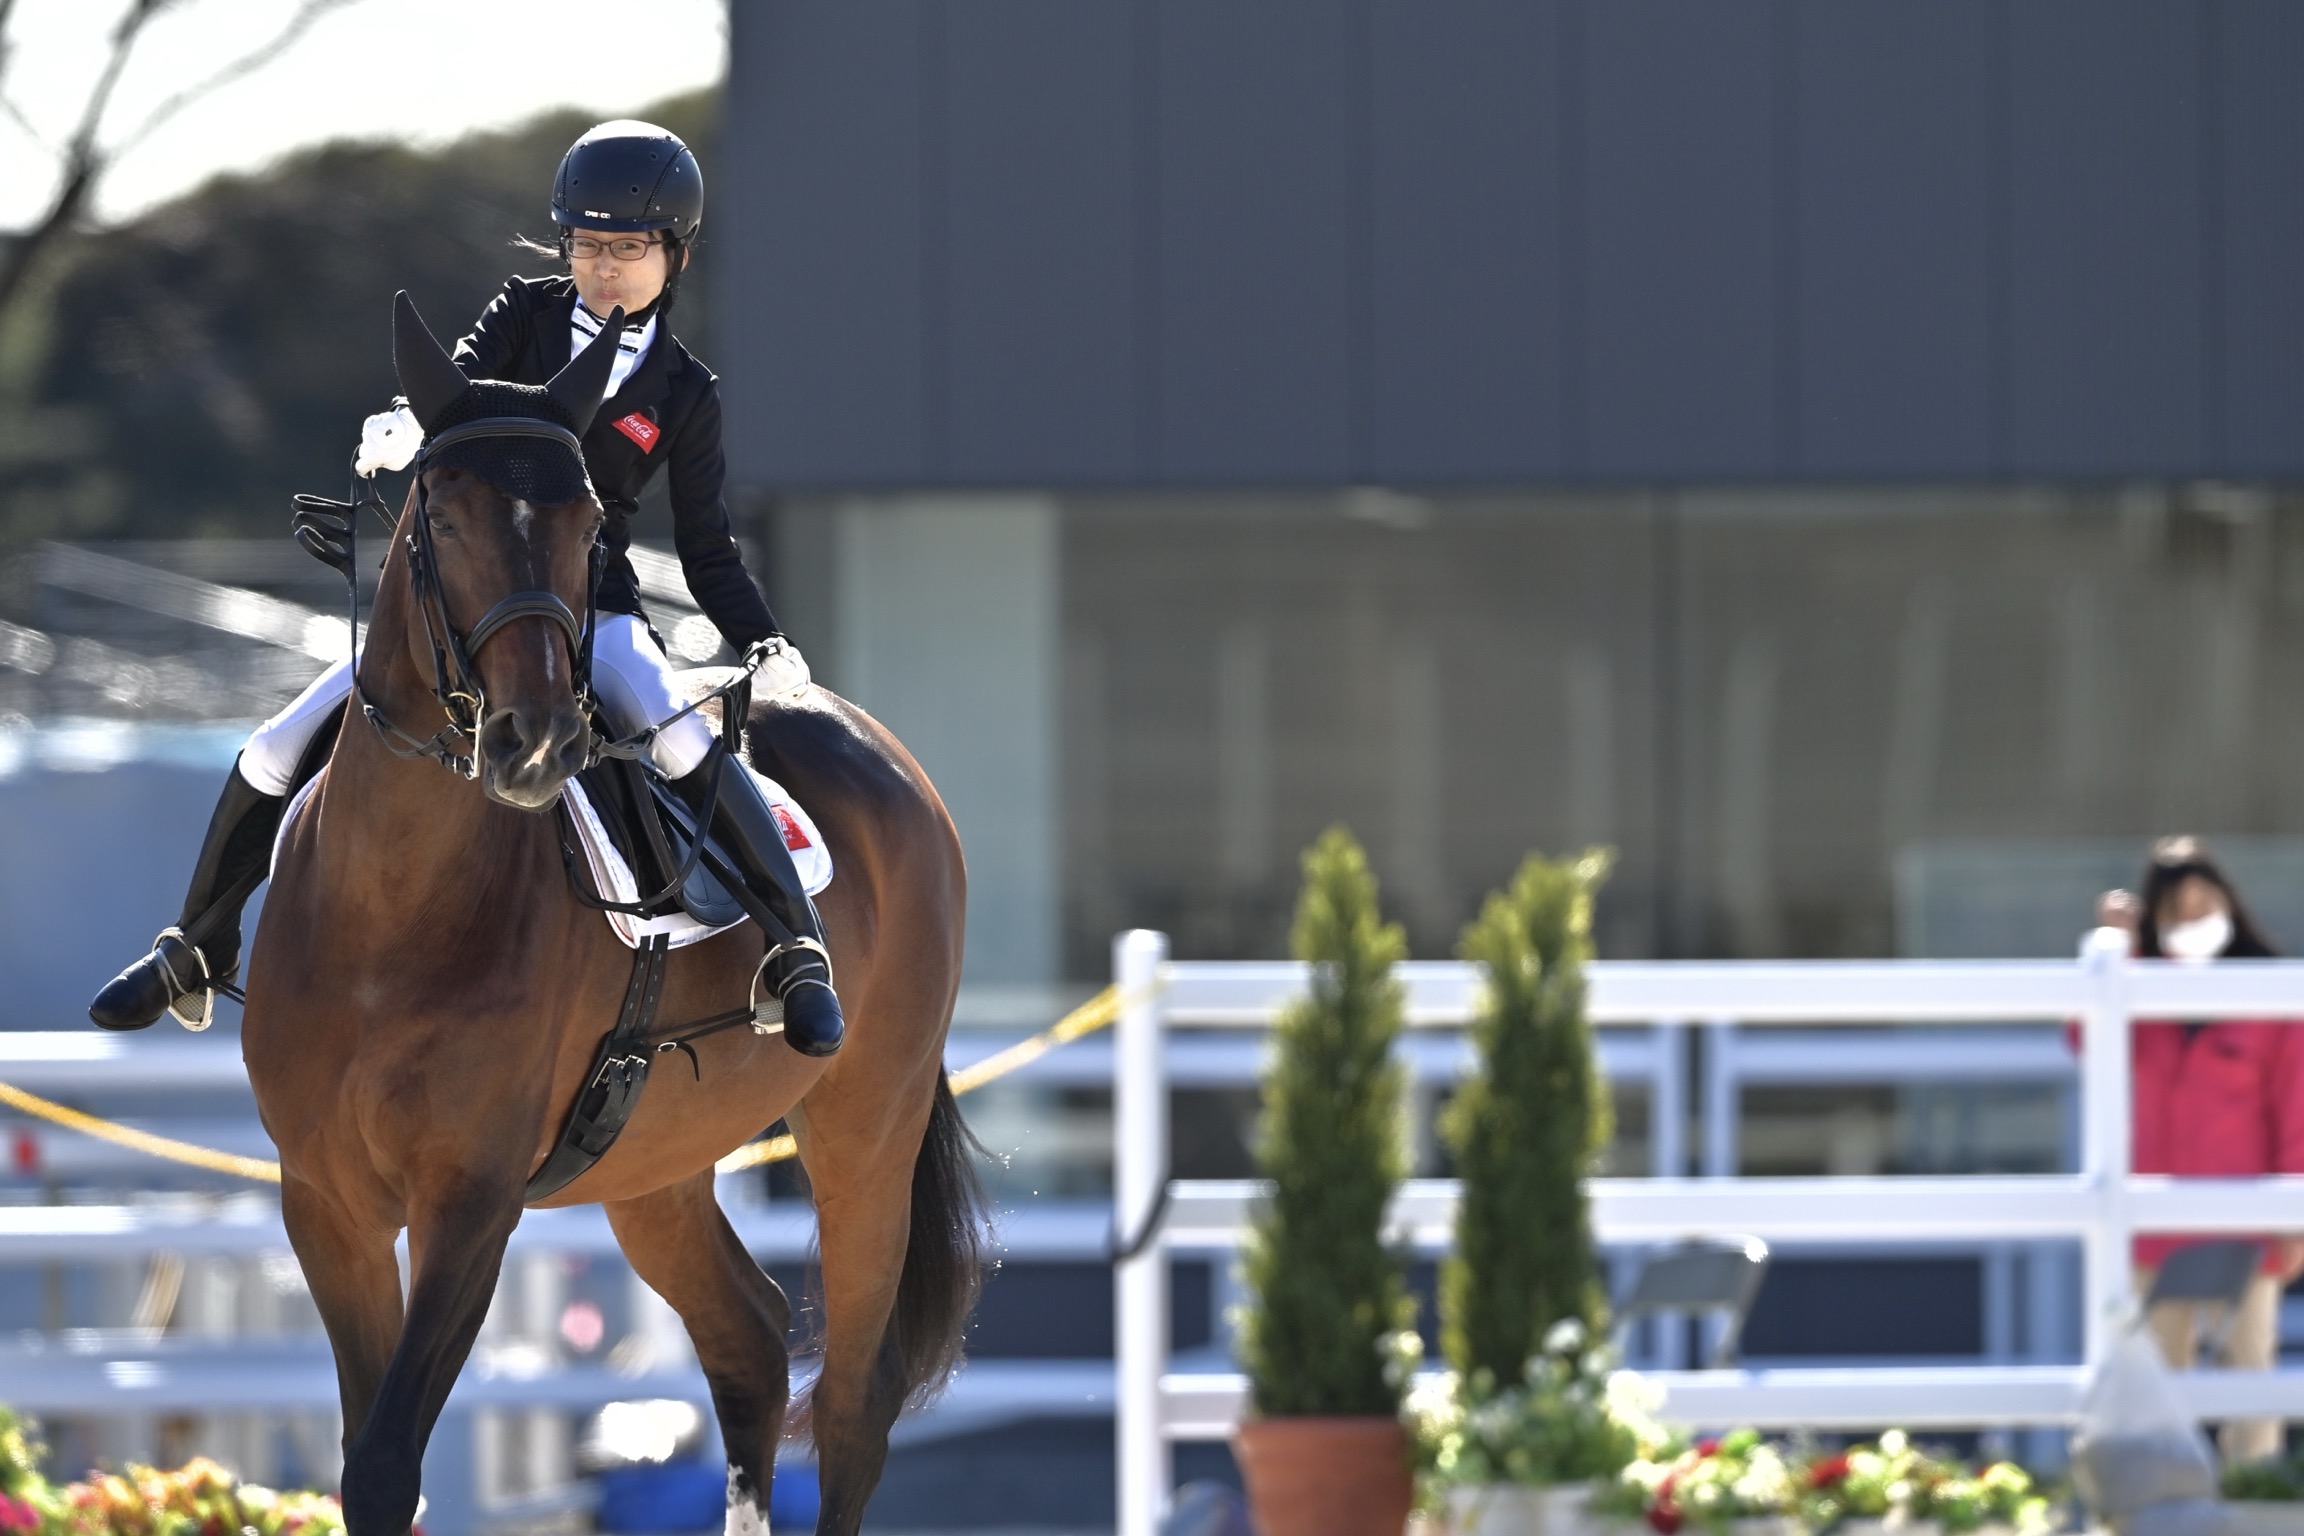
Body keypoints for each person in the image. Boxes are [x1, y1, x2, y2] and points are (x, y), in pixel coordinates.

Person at [86, 121, 845, 1058]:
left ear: (674, 254)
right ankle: (194, 945)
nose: (605, 267)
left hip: (591, 607)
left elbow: (707, 547)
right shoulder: (524, 314)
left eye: (630, 248)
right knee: (283, 738)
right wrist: (403, 423)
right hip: (469, 602)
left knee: (682, 732)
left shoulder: (685, 390)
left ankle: (796, 950)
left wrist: (762, 638)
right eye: (588, 245)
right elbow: (449, 382)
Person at [2094, 836, 2304, 1462]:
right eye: (2176, 912)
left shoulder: (2270, 995)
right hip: (2156, 1224)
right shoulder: (2140, 989)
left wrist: (2294, 1214)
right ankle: (2166, 1514)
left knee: (2251, 1378)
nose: (2193, 922)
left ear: (2229, 905)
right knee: (2158, 1377)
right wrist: (2117, 951)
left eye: (2203, 904)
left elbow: (2296, 1111)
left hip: (2247, 1224)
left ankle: (2255, 1506)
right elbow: (2087, 1039)